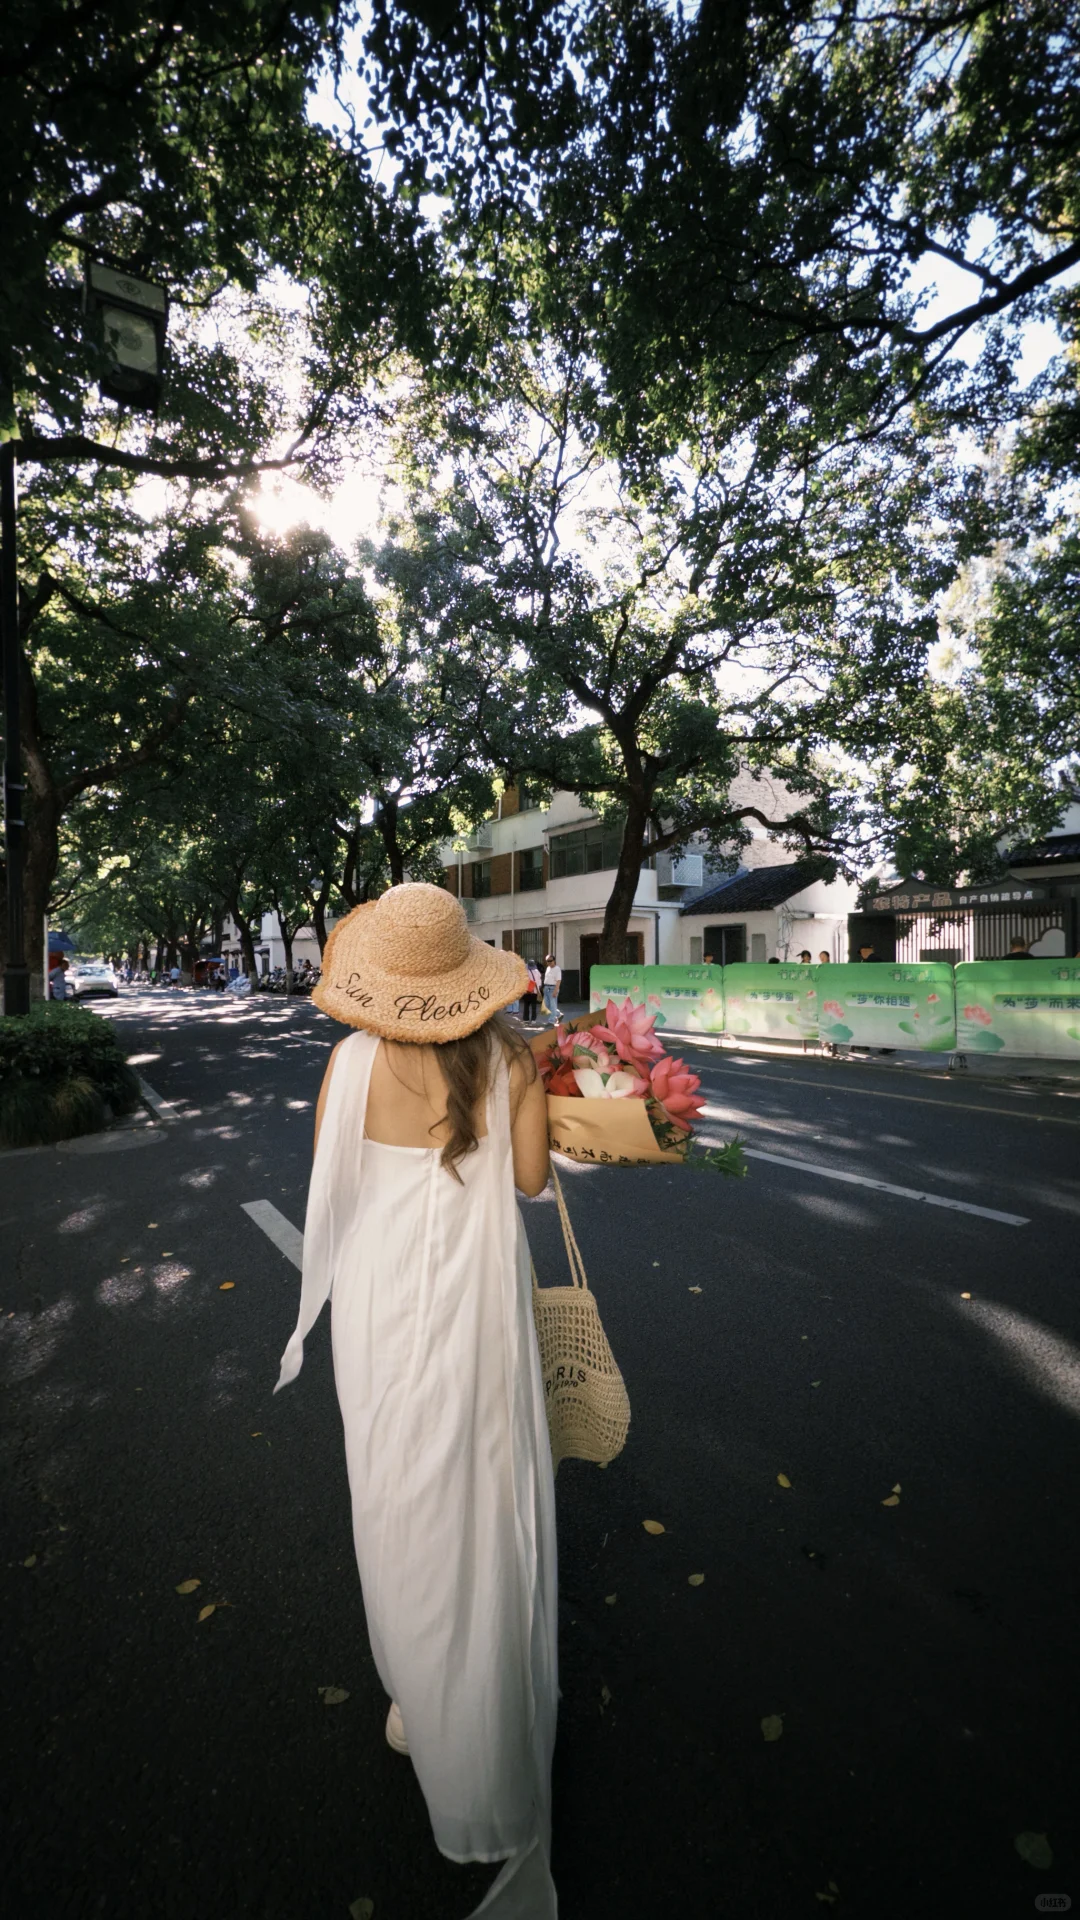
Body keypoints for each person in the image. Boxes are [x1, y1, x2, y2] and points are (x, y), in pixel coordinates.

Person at [276, 884, 557, 1919]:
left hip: (383, 1304)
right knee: (480, 1498)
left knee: (396, 1494)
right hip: (479, 1303)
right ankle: (479, 1727)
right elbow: (530, 1183)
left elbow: (329, 1178)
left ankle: (417, 1701)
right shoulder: (513, 1059)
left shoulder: (348, 1063)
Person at [541, 953, 561, 1022]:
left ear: (554, 960)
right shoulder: (548, 968)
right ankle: (558, 1014)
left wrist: (555, 991)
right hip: (546, 988)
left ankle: (552, 1020)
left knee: (552, 1005)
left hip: (553, 988)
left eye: (550, 960)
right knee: (547, 1005)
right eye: (547, 961)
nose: (549, 962)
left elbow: (558, 981)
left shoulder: (557, 969)